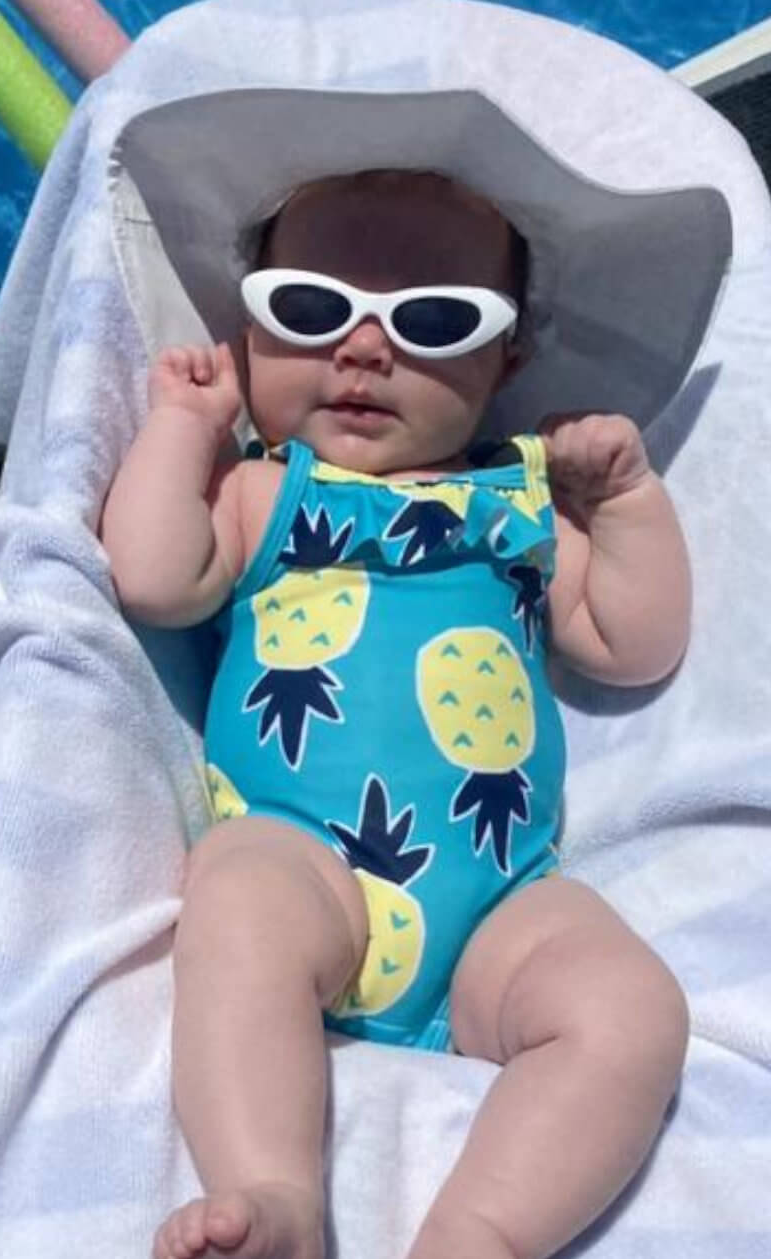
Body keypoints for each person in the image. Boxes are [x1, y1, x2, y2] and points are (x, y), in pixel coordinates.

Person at [101, 168, 691, 1259]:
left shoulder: (517, 504)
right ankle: (275, 1191)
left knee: (633, 1010)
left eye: (434, 321)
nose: (364, 348)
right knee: (235, 903)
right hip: (306, 863)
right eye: (309, 308)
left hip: (501, 908)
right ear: (248, 332)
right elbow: (151, 575)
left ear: (508, 356)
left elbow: (634, 641)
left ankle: (482, 1231)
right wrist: (183, 427)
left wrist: (623, 502)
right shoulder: (264, 492)